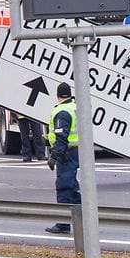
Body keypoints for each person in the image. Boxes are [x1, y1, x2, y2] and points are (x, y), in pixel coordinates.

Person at [45, 82, 80, 234]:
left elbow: (61, 136)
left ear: (58, 95)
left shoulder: (62, 112)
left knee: (64, 186)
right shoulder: (75, 107)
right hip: (76, 151)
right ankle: (83, 219)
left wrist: (54, 156)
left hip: (66, 153)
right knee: (72, 187)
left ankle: (63, 224)